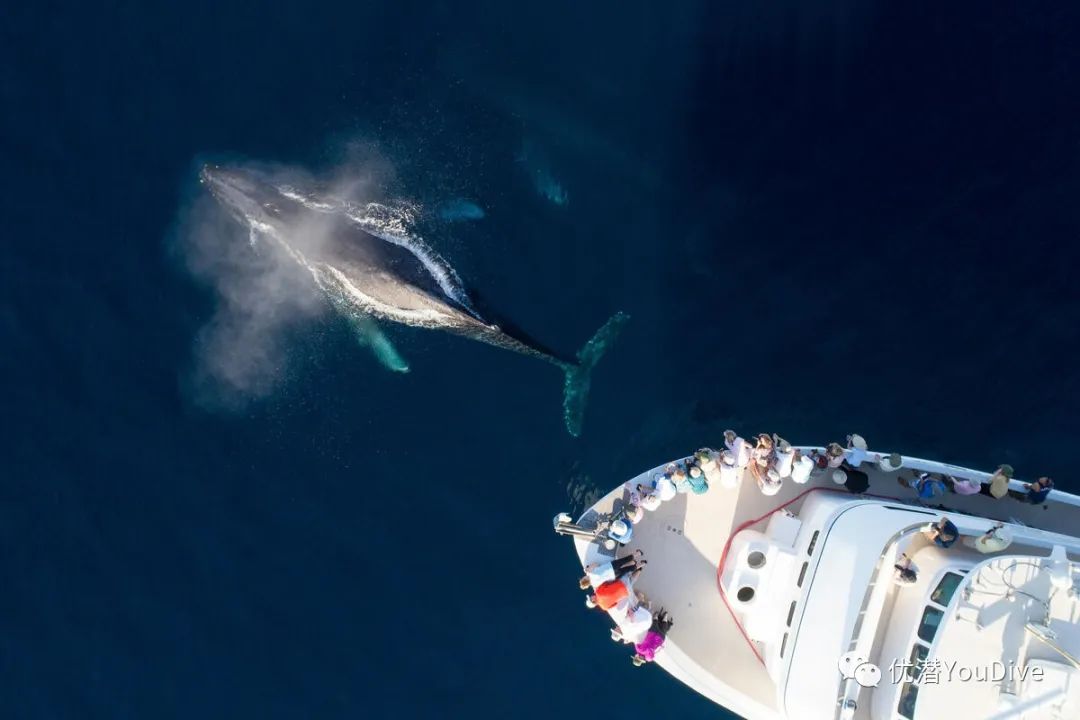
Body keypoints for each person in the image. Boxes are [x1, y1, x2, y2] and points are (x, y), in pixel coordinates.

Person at [579, 551, 644, 589]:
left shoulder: (595, 585)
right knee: (625, 560)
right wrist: (588, 568)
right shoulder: (590, 573)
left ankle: (642, 564)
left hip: (613, 576)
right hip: (611, 567)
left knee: (627, 569)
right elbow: (596, 564)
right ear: (584, 579)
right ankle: (639, 553)